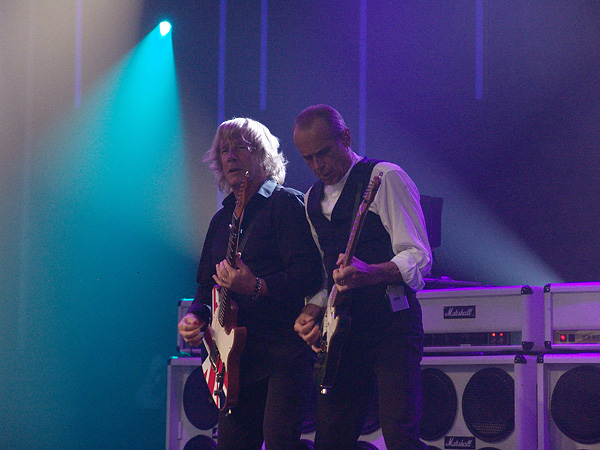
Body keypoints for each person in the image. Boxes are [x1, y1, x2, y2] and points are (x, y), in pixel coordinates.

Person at [178, 117, 323, 450]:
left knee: (279, 442)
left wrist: (257, 286)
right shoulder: (221, 220)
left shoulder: (286, 204)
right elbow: (206, 287)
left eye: (239, 148)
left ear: (262, 155)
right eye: (223, 150)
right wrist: (195, 316)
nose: (230, 156)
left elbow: (309, 274)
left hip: (283, 354)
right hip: (235, 362)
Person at [292, 104, 432, 450]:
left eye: (323, 153)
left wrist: (372, 273)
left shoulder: (384, 178)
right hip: (343, 335)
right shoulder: (310, 200)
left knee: (400, 436)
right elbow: (327, 276)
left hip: (391, 327)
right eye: (308, 159)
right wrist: (312, 310)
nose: (318, 166)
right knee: (330, 440)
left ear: (346, 138)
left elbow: (418, 256)